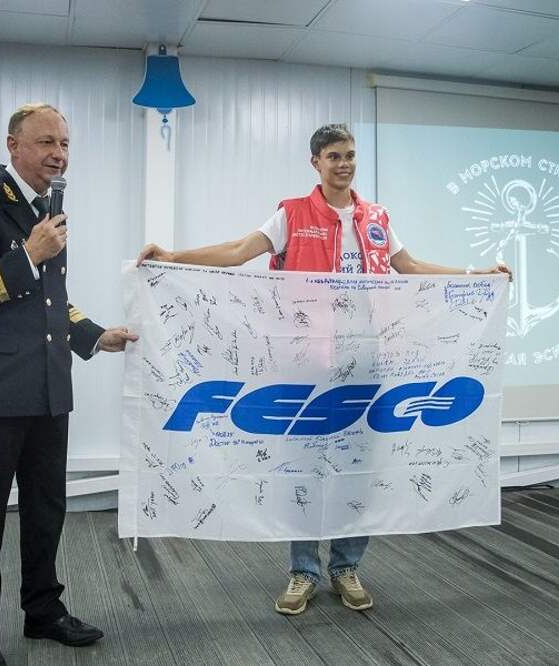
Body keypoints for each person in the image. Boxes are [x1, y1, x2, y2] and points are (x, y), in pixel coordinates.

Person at [137, 123, 511, 616]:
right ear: (316, 162)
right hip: (307, 364)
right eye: (334, 156)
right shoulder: (292, 215)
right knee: (305, 470)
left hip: (367, 363)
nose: (344, 164)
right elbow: (238, 252)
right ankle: (303, 571)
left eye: (350, 155)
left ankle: (346, 567)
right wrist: (173, 256)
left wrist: (476, 276)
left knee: (357, 471)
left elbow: (411, 267)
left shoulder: (376, 218)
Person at [0, 103, 137, 666]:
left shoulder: (50, 209)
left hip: (50, 386)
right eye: (47, 142)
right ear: (14, 145)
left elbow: (51, 303)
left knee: (47, 507)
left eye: (65, 144)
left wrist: (95, 336)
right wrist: (27, 255)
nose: (59, 154)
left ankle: (44, 610)